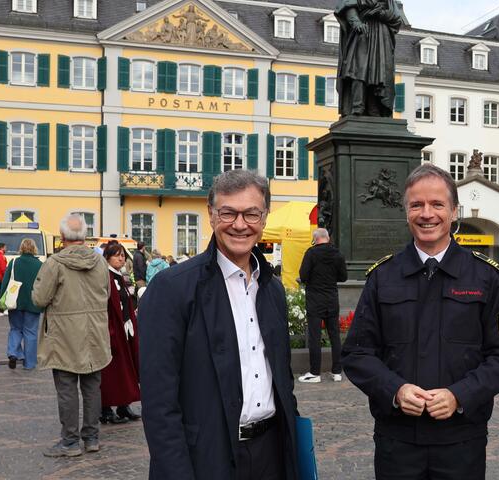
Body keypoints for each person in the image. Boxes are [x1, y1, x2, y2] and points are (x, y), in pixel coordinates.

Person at [342, 164, 499, 479]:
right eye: (417, 205)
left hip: (461, 441)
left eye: (437, 204)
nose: (427, 214)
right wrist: (395, 390)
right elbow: (357, 354)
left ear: (454, 211)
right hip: (397, 441)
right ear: (407, 212)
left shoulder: (484, 277)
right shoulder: (383, 277)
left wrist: (460, 395)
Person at [139, 169, 299, 480]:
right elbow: (159, 404)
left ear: (264, 218)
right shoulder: (173, 289)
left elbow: (282, 379)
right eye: (228, 213)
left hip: (270, 452)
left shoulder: (272, 288)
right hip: (207, 456)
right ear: (211, 215)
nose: (240, 224)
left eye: (251, 214)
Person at [31, 214, 111, 457]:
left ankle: (70, 441)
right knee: (92, 388)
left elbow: (39, 299)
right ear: (84, 236)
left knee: (67, 388)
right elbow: (105, 293)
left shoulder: (55, 263)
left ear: (63, 237)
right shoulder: (100, 263)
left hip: (65, 335)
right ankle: (91, 437)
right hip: (95, 332)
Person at [334, 0, 404, 117]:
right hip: (362, 32)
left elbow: (397, 18)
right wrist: (356, 23)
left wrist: (380, 13)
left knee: (378, 73)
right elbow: (347, 7)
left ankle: (374, 108)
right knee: (357, 70)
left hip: (382, 36)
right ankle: (357, 106)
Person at [297, 227, 348, 383]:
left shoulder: (311, 253)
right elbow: (344, 277)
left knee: (315, 337)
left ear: (315, 239)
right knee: (334, 336)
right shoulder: (337, 254)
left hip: (315, 299)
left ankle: (315, 373)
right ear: (327, 238)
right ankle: (337, 372)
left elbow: (303, 275)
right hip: (332, 299)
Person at [99, 242, 141, 425]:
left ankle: (124, 404)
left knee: (127, 368)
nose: (121, 258)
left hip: (125, 328)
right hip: (112, 330)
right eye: (117, 255)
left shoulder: (119, 277)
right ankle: (106, 408)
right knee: (112, 372)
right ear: (107, 257)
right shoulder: (105, 277)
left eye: (123, 255)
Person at [0, 238, 43, 370]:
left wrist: (2, 300)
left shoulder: (13, 262)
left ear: (21, 248)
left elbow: (5, 282)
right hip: (33, 303)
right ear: (34, 248)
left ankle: (13, 353)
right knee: (30, 333)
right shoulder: (40, 265)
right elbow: (44, 285)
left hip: (14, 302)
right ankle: (29, 364)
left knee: (15, 329)